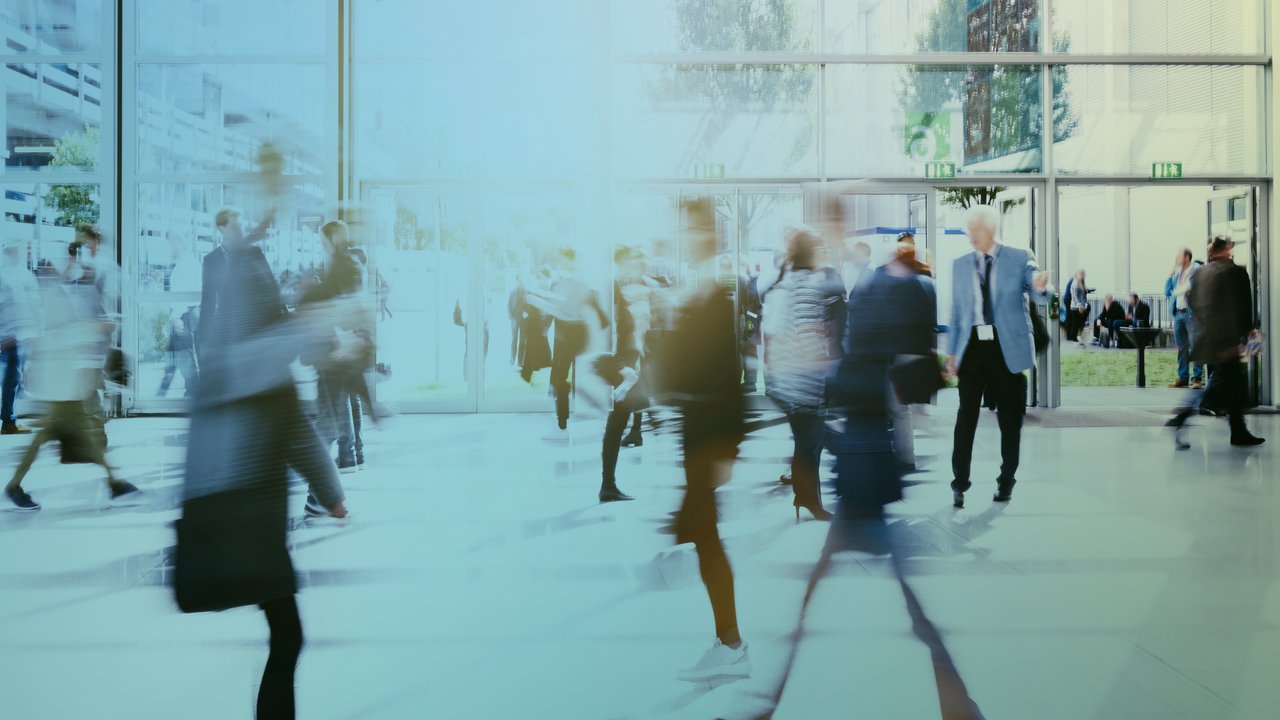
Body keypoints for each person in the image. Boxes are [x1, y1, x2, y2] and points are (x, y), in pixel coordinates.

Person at [176, 205, 347, 720]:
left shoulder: (233, 367)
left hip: (230, 508)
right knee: (289, 635)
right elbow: (298, 435)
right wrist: (334, 494)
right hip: (251, 518)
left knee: (286, 633)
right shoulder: (265, 368)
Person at [657, 198, 749, 683]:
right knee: (702, 535)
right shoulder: (696, 289)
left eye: (690, 230)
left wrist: (728, 449)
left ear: (706, 236)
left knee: (707, 539)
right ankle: (729, 641)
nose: (683, 239)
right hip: (697, 432)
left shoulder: (713, 293)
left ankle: (731, 643)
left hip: (708, 437)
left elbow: (727, 377)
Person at [5, 268, 141, 511]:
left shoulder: (57, 295)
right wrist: (90, 330)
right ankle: (114, 483)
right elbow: (51, 338)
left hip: (62, 382)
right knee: (77, 434)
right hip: (57, 384)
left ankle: (114, 483)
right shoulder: (47, 299)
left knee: (59, 434)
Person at [946, 205, 1050, 509]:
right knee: (966, 416)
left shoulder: (1018, 257)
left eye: (974, 229)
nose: (970, 235)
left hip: (1006, 350)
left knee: (1009, 419)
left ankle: (1007, 480)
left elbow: (1036, 285)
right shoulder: (961, 264)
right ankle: (959, 482)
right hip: (973, 349)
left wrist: (1042, 286)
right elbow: (957, 313)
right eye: (968, 229)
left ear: (989, 229)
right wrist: (951, 353)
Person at [763, 227, 843, 521]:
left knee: (805, 442)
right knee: (811, 445)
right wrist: (825, 359)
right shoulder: (810, 284)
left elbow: (772, 332)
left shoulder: (784, 281)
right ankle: (810, 500)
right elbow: (808, 332)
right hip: (805, 380)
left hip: (785, 379)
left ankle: (804, 497)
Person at [1167, 236, 1264, 448]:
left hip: (1210, 337)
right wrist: (1248, 335)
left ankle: (1239, 431)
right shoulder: (1236, 272)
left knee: (1232, 385)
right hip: (1228, 340)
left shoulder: (1202, 272)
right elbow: (1242, 307)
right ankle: (1182, 418)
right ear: (1227, 249)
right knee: (1219, 387)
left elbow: (1193, 301)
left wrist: (1208, 326)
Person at [0, 240, 39, 435]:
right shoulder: (6, 276)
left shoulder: (19, 275)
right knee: (11, 379)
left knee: (14, 377)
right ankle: (8, 421)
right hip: (11, 336)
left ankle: (9, 419)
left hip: (18, 335)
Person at [1166, 248, 1204, 389]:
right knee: (1182, 347)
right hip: (1178, 313)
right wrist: (1170, 276)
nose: (1176, 258)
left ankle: (1197, 379)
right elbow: (1167, 292)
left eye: (1179, 256)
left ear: (1187, 257)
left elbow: (1192, 287)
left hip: (1191, 313)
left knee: (1196, 346)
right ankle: (1183, 378)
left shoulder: (1196, 270)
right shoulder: (1177, 275)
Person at [1065, 269, 1090, 345]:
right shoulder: (1075, 283)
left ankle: (1074, 337)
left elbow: (1084, 296)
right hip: (1075, 307)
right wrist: (1079, 305)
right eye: (1081, 274)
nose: (1083, 276)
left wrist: (1084, 305)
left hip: (1081, 306)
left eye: (1083, 274)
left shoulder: (1082, 283)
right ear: (1078, 274)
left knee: (1078, 322)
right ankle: (1073, 338)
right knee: (1075, 323)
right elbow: (1075, 296)